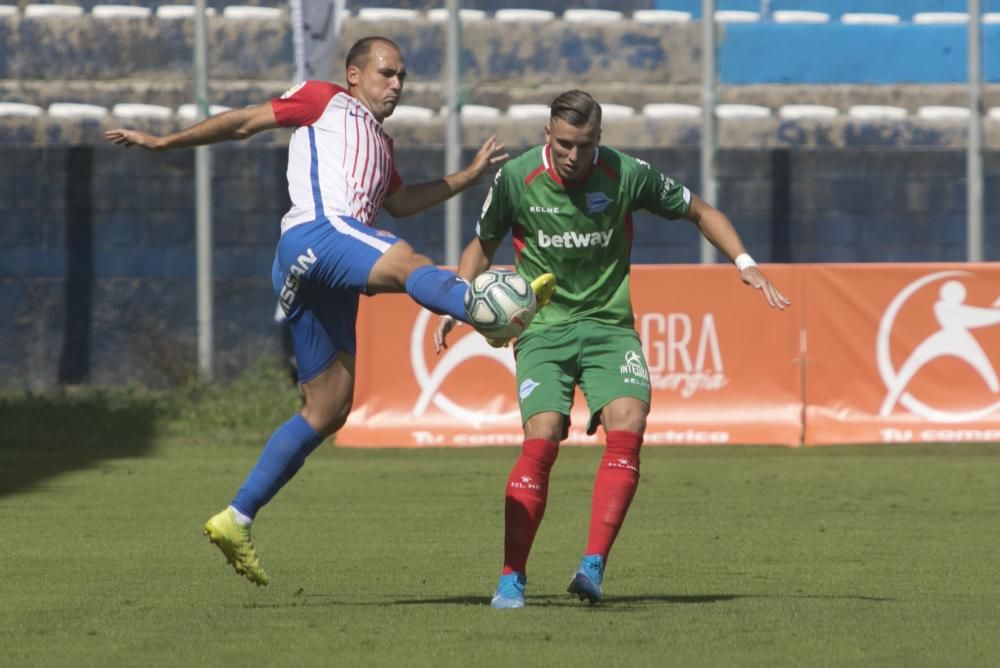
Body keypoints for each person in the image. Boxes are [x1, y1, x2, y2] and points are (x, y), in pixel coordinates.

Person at [105, 36, 553, 586]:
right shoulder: (324, 101)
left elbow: (403, 200)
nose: (396, 84)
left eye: (402, 77)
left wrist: (466, 176)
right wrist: (163, 142)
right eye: (387, 73)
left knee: (329, 407)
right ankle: (485, 310)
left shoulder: (381, 149)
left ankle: (236, 516)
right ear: (353, 76)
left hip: (316, 269)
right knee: (406, 260)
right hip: (317, 234)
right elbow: (247, 121)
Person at [434, 90, 790, 609]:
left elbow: (699, 210)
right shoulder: (517, 179)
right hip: (543, 328)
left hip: (608, 327)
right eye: (562, 144)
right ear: (546, 137)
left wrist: (744, 263)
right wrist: (452, 302)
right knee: (545, 433)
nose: (571, 155)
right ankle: (512, 577)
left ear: (599, 140)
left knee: (630, 421)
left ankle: (592, 568)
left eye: (583, 144)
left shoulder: (627, 174)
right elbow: (481, 246)